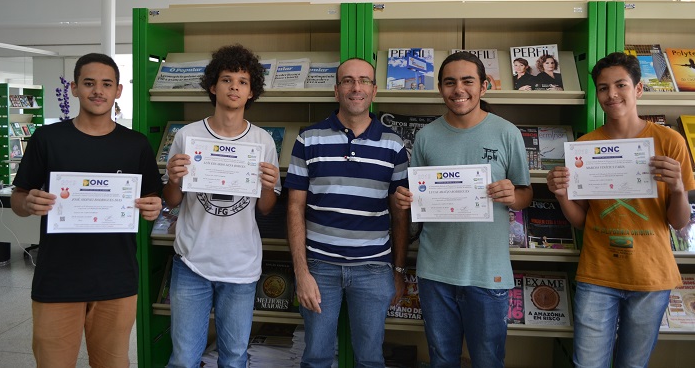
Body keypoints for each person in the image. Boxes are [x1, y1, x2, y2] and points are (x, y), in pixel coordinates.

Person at [10, 52, 163, 368]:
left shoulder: (136, 145)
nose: (98, 91)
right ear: (74, 88)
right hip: (57, 280)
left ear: (118, 90)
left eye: (107, 84)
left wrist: (153, 207)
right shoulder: (47, 139)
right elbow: (18, 199)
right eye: (89, 83)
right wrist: (27, 203)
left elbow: (153, 199)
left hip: (117, 281)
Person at [546, 52, 695, 368]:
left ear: (638, 89)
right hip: (598, 274)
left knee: (632, 365)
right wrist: (561, 196)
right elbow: (583, 222)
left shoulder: (670, 142)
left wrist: (679, 188)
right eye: (603, 88)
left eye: (620, 85)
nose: (611, 94)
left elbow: (679, 222)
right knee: (587, 364)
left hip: (651, 277)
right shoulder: (585, 146)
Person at [394, 51, 532, 368]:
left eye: (468, 81)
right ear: (441, 88)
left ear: (484, 86)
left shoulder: (507, 132)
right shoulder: (426, 137)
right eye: (450, 82)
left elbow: (526, 194)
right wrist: (408, 201)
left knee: (488, 361)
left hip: (488, 273)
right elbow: (420, 197)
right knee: (442, 360)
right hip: (435, 273)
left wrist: (513, 195)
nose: (459, 89)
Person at [285, 57, 409, 368]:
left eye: (364, 80)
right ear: (337, 89)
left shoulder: (393, 145)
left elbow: (400, 216)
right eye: (348, 81)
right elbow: (295, 208)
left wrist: (398, 270)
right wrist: (302, 274)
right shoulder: (308, 139)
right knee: (316, 358)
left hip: (374, 270)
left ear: (375, 90)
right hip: (319, 268)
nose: (356, 87)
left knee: (370, 359)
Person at [163, 44, 281, 368]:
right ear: (213, 86)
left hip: (240, 267)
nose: (234, 87)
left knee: (233, 359)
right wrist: (173, 179)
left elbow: (266, 208)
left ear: (251, 91)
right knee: (184, 359)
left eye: (242, 82)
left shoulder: (263, 142)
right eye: (227, 80)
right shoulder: (188, 136)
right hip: (192, 263)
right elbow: (172, 201)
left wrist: (269, 185)